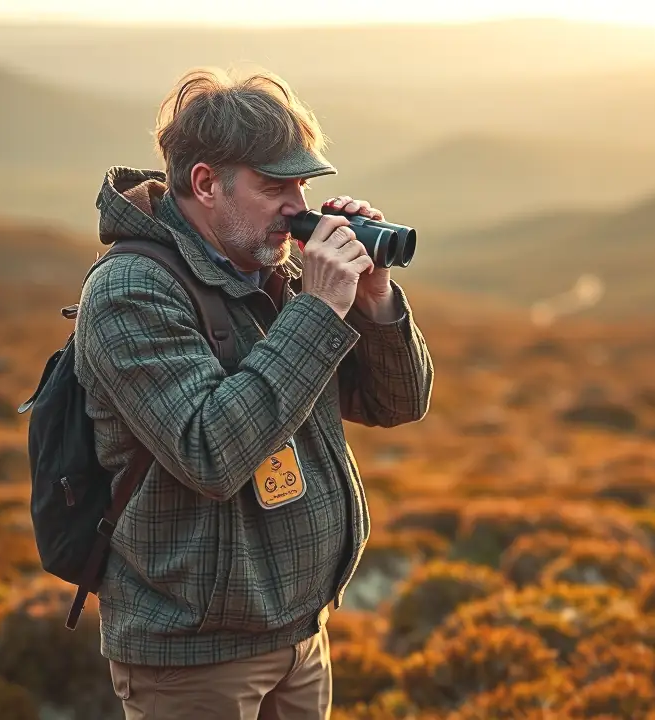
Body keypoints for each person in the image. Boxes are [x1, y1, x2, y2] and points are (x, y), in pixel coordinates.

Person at [72, 67, 434, 719]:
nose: (298, 207)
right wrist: (321, 309)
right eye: (275, 185)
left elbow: (398, 404)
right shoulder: (131, 291)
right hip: (194, 659)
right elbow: (210, 452)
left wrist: (373, 298)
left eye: (302, 182)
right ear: (206, 183)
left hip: (299, 634)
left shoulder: (275, 274)